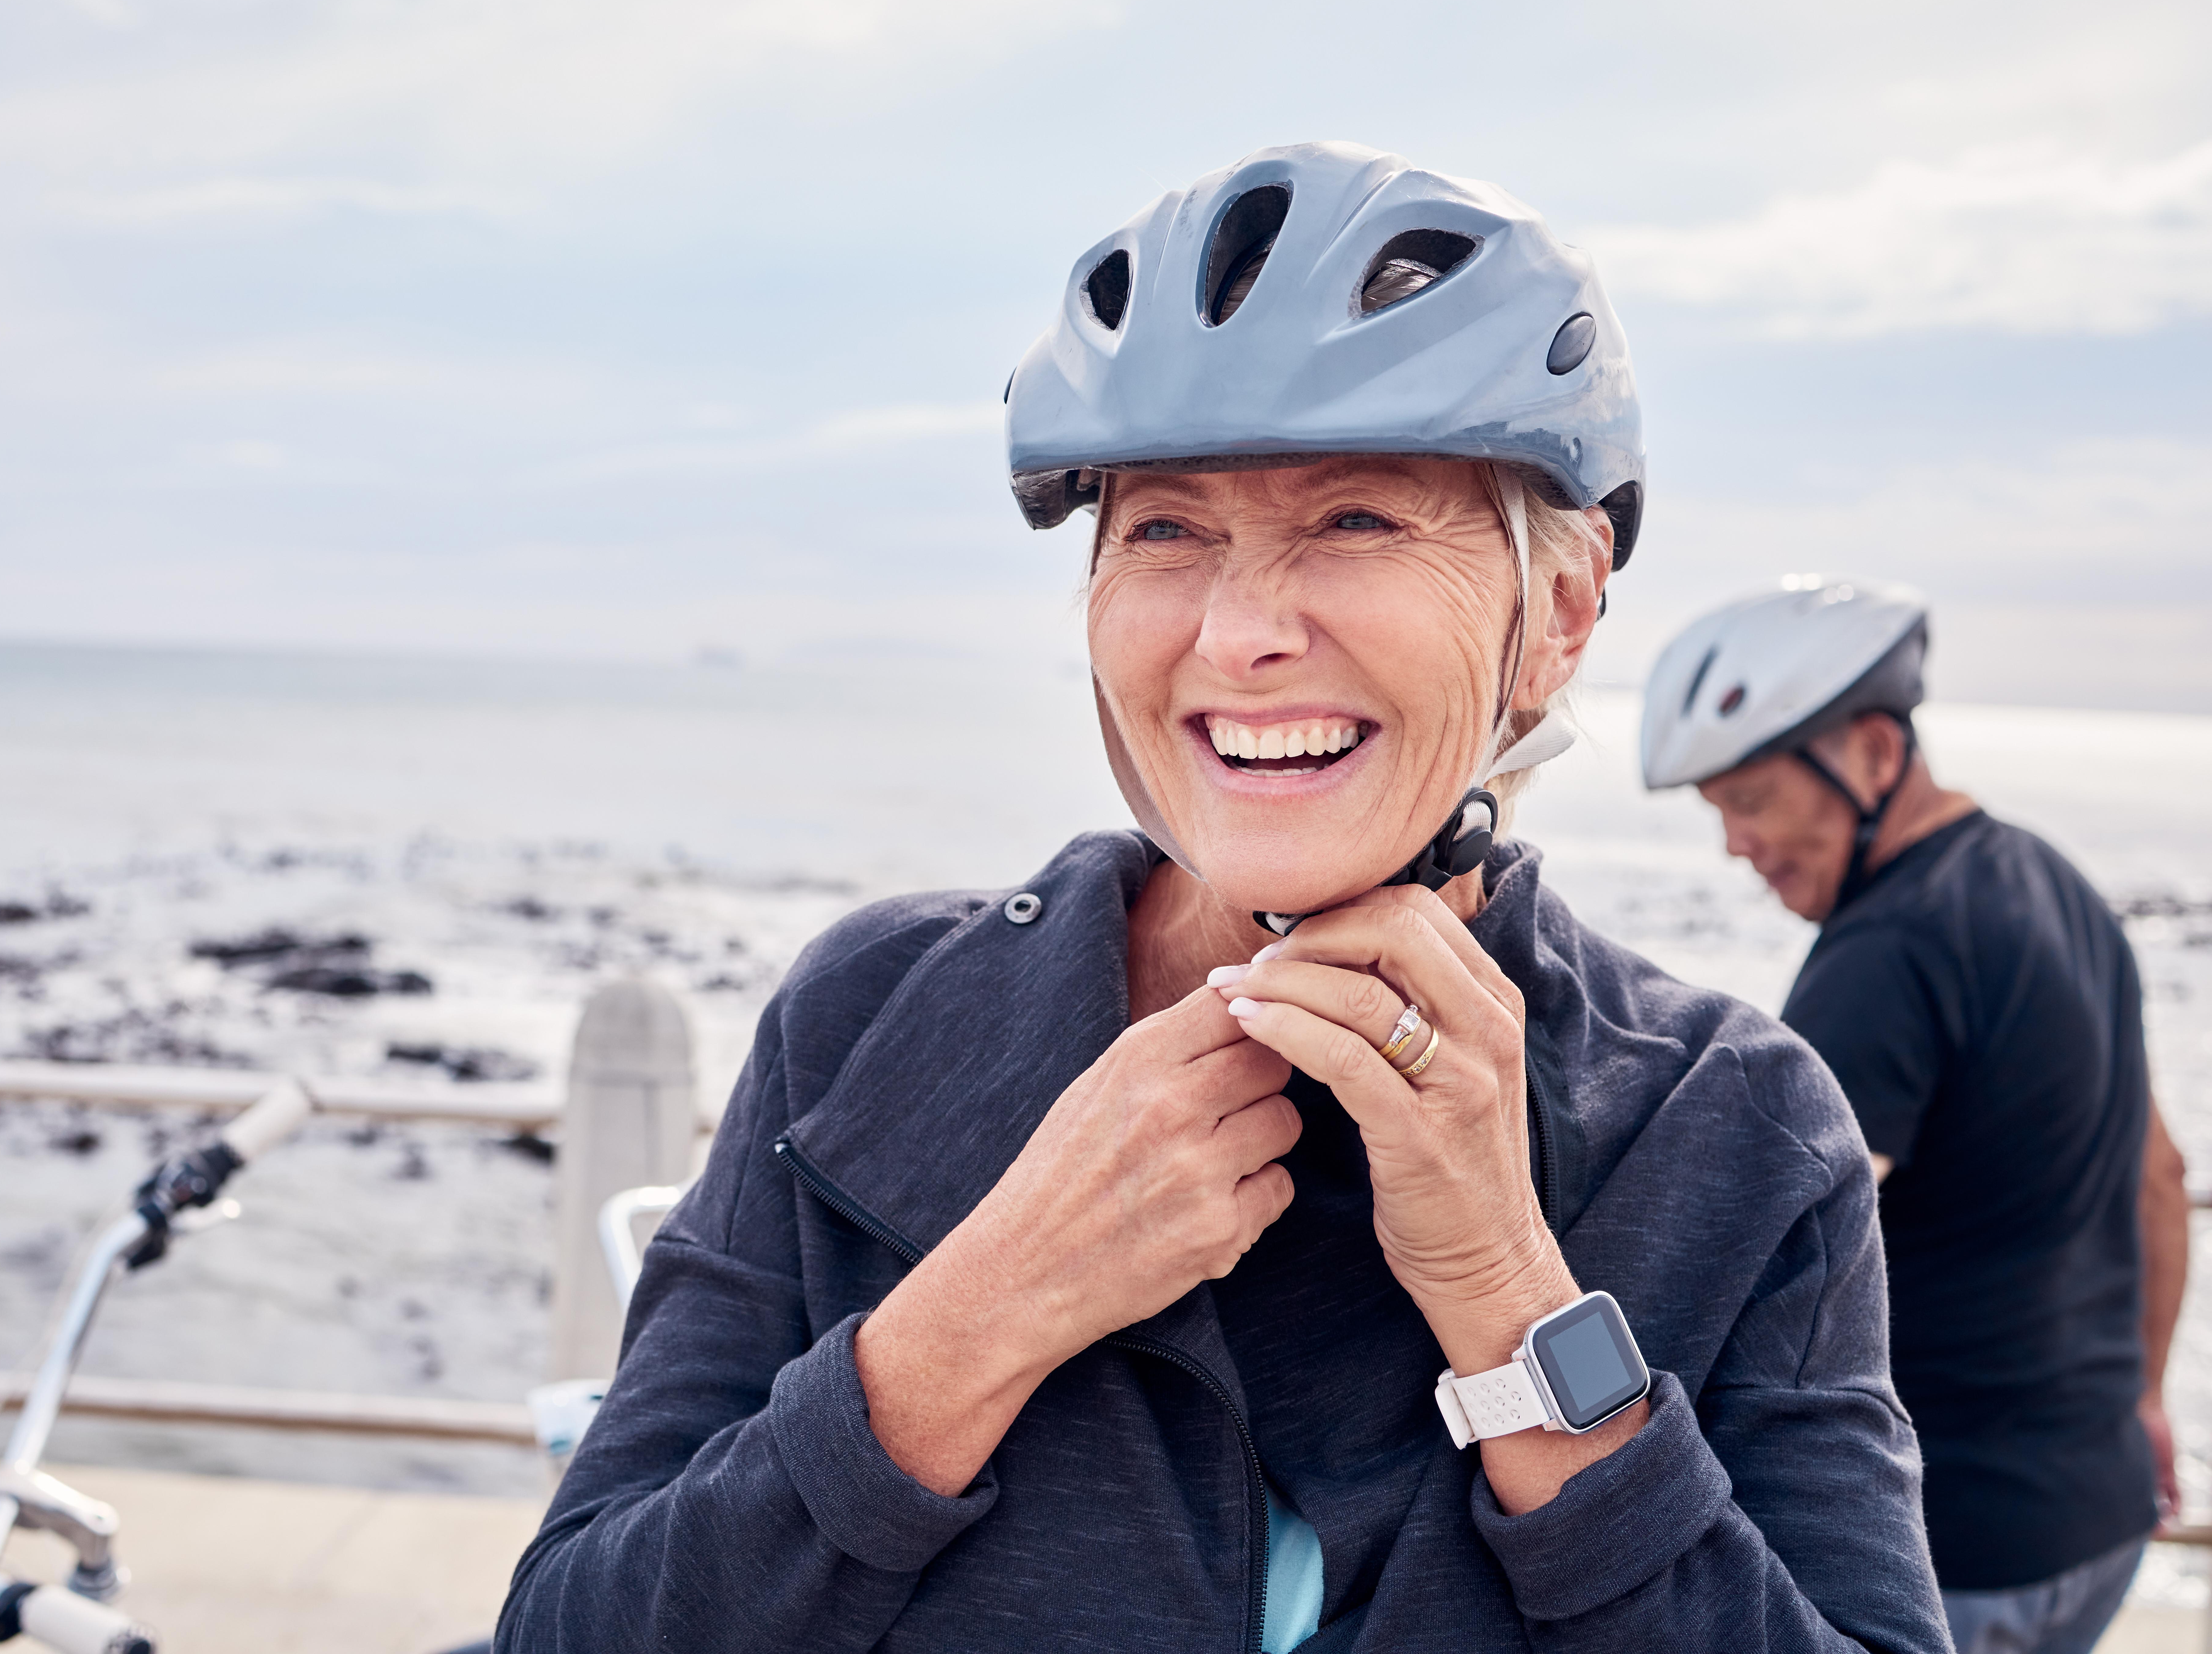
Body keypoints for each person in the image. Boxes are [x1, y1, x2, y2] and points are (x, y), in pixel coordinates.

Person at [497, 144, 1948, 1653]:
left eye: (1358, 522)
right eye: (1167, 531)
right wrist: (984, 1305)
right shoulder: (871, 1016)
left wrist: (1507, 1294)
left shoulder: (1732, 1126)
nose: (1243, 633)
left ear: (1559, 613)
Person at [1642, 578, 2190, 1654]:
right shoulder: (2056, 881)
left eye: (1751, 799)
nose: (1736, 848)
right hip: (2101, 1517)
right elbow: (2159, 1176)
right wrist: (2150, 1401)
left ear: (1876, 757)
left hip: (1960, 1553)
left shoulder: (1882, 960)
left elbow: (1752, 1253)